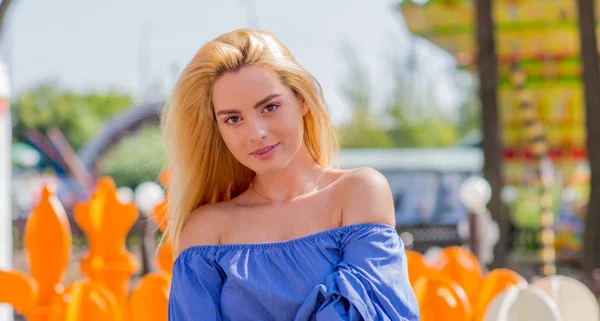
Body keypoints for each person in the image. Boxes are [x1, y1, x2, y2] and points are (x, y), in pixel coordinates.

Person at [162, 28, 420, 321]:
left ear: (301, 100)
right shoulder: (206, 230)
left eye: (270, 107)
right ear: (218, 129)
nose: (256, 133)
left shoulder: (358, 192)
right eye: (233, 119)